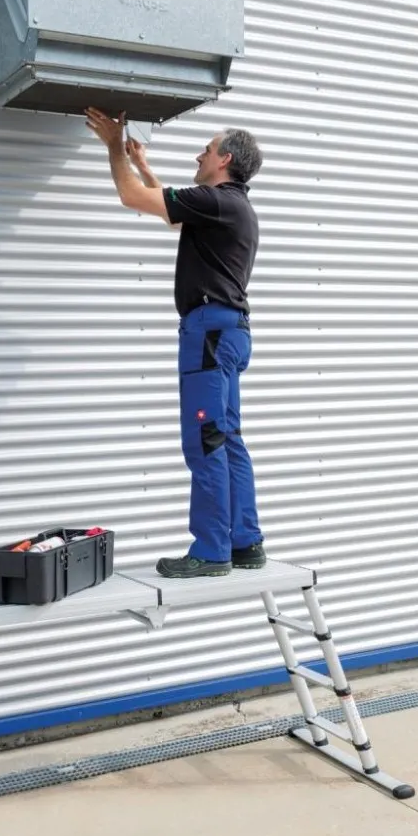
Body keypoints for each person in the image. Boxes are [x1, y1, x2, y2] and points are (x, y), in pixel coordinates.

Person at [84, 107, 266, 578]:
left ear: (225, 159)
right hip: (229, 332)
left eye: (206, 150)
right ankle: (245, 543)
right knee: (227, 437)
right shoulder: (232, 207)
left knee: (205, 440)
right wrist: (144, 165)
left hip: (208, 333)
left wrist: (114, 145)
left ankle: (211, 550)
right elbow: (175, 217)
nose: (199, 156)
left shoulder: (217, 201)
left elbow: (130, 197)